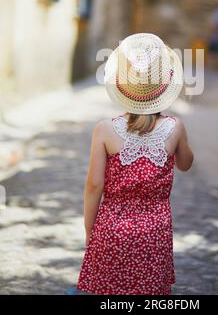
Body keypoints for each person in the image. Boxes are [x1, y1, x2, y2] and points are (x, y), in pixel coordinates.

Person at [76, 33, 194, 295]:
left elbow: (94, 186)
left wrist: (90, 231)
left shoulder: (105, 130)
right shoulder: (174, 128)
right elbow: (185, 164)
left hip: (111, 230)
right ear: (165, 84)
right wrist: (180, 142)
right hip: (155, 233)